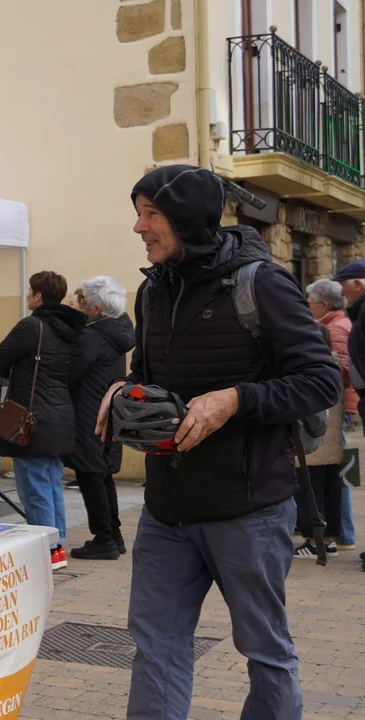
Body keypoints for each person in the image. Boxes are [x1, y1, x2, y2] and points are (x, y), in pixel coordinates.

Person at [96, 164, 339, 719]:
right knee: (155, 648)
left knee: (265, 652)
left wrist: (235, 399)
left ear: (186, 218)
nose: (139, 227)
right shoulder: (153, 290)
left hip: (247, 510)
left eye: (151, 214)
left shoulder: (262, 283)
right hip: (167, 509)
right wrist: (125, 389)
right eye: (138, 213)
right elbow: (152, 376)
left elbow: (321, 381)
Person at [0, 270, 86, 571]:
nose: (28, 296)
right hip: (61, 415)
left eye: (30, 291)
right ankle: (57, 544)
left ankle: (48, 549)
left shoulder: (32, 326)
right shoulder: (73, 327)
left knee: (34, 486)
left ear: (38, 295)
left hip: (32, 419)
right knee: (51, 483)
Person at [65, 276, 135, 561]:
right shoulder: (119, 329)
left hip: (88, 413)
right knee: (103, 475)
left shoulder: (92, 336)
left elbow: (71, 374)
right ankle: (114, 535)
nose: (80, 303)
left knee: (90, 475)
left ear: (95, 307)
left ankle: (103, 538)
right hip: (108, 411)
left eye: (83, 300)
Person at [307, 277, 358, 553]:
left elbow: (339, 373)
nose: (307, 307)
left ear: (323, 305)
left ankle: (342, 533)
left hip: (337, 409)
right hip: (343, 407)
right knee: (340, 467)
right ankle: (341, 533)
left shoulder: (333, 328)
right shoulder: (341, 323)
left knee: (336, 470)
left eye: (310, 302)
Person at [292, 324, 345, 558]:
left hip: (313, 437)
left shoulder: (310, 365)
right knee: (331, 489)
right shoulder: (335, 362)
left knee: (310, 492)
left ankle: (315, 542)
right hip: (334, 438)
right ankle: (330, 540)